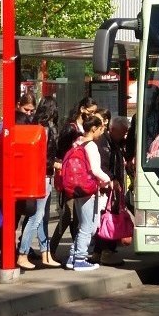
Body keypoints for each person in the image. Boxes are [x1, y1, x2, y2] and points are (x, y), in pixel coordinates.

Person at [49, 98, 96, 260]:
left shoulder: (84, 127)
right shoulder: (71, 128)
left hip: (80, 176)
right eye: (90, 112)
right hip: (70, 176)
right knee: (69, 214)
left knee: (77, 216)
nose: (92, 115)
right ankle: (52, 249)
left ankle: (77, 252)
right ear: (82, 109)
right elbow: (61, 152)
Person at [17, 96, 61, 269]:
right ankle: (23, 253)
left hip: (40, 175)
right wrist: (56, 163)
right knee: (36, 217)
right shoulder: (46, 129)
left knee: (42, 217)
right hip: (43, 175)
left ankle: (45, 252)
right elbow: (43, 156)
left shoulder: (34, 127)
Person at [66, 114, 111, 271]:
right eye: (101, 128)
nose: (102, 132)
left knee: (84, 225)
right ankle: (79, 259)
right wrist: (108, 180)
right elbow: (95, 169)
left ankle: (73, 256)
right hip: (89, 189)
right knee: (88, 226)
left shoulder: (77, 142)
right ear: (94, 128)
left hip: (77, 188)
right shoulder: (91, 146)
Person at [90, 115, 129, 266]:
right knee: (109, 220)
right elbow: (104, 165)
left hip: (113, 185)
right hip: (108, 187)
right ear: (112, 130)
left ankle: (98, 253)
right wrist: (112, 179)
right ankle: (105, 252)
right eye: (122, 132)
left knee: (108, 219)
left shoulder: (115, 142)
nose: (124, 135)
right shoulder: (104, 143)